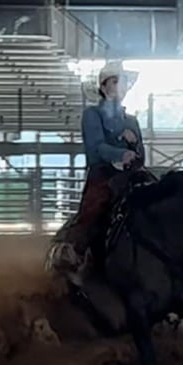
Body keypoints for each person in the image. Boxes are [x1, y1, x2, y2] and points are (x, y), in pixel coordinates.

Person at [64, 60, 151, 270]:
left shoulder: (131, 120)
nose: (122, 85)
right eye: (116, 81)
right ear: (104, 87)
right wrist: (123, 152)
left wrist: (134, 148)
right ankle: (76, 251)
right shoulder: (92, 115)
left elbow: (141, 155)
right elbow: (96, 148)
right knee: (95, 208)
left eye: (124, 81)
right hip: (103, 175)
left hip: (130, 176)